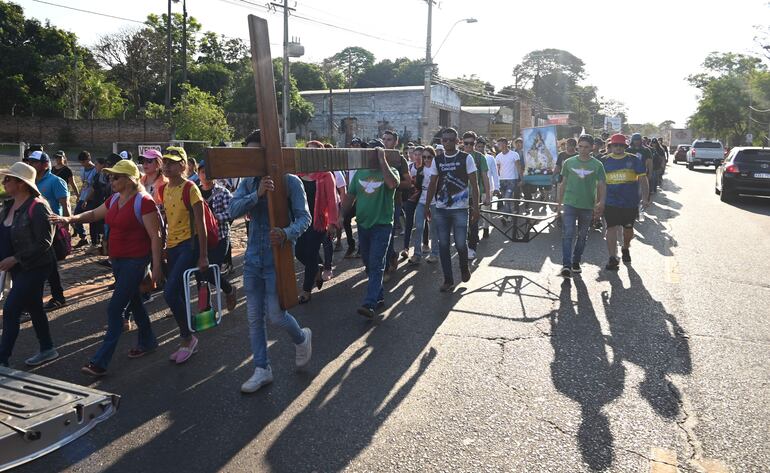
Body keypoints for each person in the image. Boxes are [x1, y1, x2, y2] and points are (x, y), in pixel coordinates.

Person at [51, 160, 162, 376]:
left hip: (136, 262)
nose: (111, 179)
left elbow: (155, 237)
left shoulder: (144, 202)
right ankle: (148, 341)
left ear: (130, 180)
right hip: (118, 261)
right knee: (135, 301)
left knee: (114, 309)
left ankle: (100, 361)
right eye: (111, 176)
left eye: (116, 177)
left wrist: (156, 267)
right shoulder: (114, 199)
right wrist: (70, 218)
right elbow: (93, 215)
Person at [229, 129, 312, 393]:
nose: (252, 159)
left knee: (276, 315)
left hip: (278, 259)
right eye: (249, 153)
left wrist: (286, 233)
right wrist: (258, 195)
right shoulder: (248, 181)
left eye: (257, 153)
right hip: (252, 258)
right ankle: (262, 369)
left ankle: (301, 338)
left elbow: (304, 218)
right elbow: (232, 210)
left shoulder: (290, 181)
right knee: (254, 318)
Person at [0, 162, 58, 367]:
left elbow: (45, 242)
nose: (4, 181)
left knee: (11, 309)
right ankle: (48, 348)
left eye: (9, 179)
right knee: (34, 307)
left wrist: (15, 258)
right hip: (17, 268)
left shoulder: (38, 206)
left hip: (35, 267)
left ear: (22, 184)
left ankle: (3, 358)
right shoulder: (8, 204)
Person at [158, 150, 210, 364]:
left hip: (189, 246)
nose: (167, 167)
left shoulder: (191, 188)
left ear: (183, 166)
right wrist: (162, 246)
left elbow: (201, 224)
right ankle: (189, 331)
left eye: (173, 163)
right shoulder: (163, 189)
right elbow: (167, 220)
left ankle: (188, 338)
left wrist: (203, 255)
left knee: (169, 293)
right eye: (165, 162)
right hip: (172, 246)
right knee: (176, 292)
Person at [338, 141, 399, 318]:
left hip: (382, 225)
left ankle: (369, 303)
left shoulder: (390, 170)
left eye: (374, 154)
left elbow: (392, 184)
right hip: (363, 225)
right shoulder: (360, 173)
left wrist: (382, 160)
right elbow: (350, 196)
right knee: (367, 263)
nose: (370, 157)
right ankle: (378, 297)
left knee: (376, 263)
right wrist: (341, 215)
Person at [425, 128, 480, 292]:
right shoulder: (437, 160)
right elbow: (432, 184)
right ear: (441, 141)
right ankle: (448, 280)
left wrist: (476, 208)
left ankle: (464, 268)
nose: (447, 142)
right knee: (443, 245)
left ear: (457, 141)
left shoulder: (466, 158)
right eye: (444, 140)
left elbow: (474, 185)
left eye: (451, 140)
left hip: (460, 209)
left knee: (461, 244)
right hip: (441, 209)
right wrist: (427, 206)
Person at [294, 141, 339, 304]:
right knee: (299, 252)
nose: (309, 154)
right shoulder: (297, 174)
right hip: (300, 221)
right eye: (307, 151)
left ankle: (306, 290)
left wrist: (333, 223)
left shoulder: (326, 175)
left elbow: (332, 201)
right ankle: (317, 268)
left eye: (313, 152)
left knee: (311, 252)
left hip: (318, 222)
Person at [25, 150, 70, 310]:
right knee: (48, 267)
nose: (30, 164)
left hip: (50, 230)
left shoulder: (55, 181)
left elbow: (65, 205)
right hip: (31, 228)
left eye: (34, 162)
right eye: (29, 161)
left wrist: (67, 226)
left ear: (44, 164)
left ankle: (48, 299)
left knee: (44, 265)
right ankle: (57, 297)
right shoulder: (29, 181)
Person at [557, 135, 607, 277]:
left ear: (592, 148)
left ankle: (576, 261)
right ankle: (566, 265)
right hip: (570, 203)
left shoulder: (598, 165)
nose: (583, 150)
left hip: (587, 205)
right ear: (577, 146)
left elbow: (602, 185)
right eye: (581, 146)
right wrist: (559, 204)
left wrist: (601, 202)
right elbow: (563, 183)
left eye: (586, 147)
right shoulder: (568, 162)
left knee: (583, 235)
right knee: (567, 234)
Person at [602, 133, 650, 270]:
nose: (618, 147)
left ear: (625, 146)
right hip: (610, 202)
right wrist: (598, 201)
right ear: (610, 146)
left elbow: (643, 179)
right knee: (610, 228)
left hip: (629, 202)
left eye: (620, 145)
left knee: (628, 230)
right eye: (615, 145)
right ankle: (612, 257)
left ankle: (625, 247)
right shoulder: (604, 161)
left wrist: (645, 198)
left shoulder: (634, 160)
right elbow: (600, 183)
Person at [197, 161, 238, 311]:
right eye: (202, 172)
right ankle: (206, 307)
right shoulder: (195, 192)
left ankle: (229, 289)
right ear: (198, 174)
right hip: (201, 239)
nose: (205, 175)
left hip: (220, 237)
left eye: (208, 172)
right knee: (200, 274)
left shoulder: (223, 192)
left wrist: (214, 217)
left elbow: (232, 212)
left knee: (210, 270)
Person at [382, 130, 412, 282]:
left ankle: (386, 267)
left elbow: (408, 182)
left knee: (388, 236)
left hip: (394, 202)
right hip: (376, 203)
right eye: (384, 139)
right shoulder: (375, 158)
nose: (386, 142)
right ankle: (391, 256)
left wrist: (393, 184)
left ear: (395, 142)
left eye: (389, 139)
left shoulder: (401, 160)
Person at [462, 131, 491, 260]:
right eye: (466, 143)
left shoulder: (480, 158)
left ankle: (472, 248)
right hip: (459, 196)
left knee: (473, 223)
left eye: (471, 143)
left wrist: (488, 196)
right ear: (462, 143)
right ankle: (465, 245)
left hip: (475, 194)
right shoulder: (458, 156)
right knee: (461, 223)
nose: (468, 146)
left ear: (475, 143)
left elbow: (485, 178)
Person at [409, 146, 439, 265]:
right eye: (424, 157)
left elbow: (437, 186)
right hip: (422, 201)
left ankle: (434, 253)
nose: (426, 159)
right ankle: (417, 254)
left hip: (434, 202)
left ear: (433, 157)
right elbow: (417, 186)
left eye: (429, 157)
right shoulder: (420, 169)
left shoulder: (436, 169)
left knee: (433, 229)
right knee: (419, 227)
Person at [495, 137, 523, 221]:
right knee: (505, 200)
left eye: (499, 144)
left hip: (512, 180)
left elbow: (519, 167)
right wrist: (497, 181)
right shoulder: (498, 156)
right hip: (502, 180)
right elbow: (497, 170)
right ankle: (509, 215)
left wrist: (522, 179)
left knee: (507, 198)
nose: (498, 146)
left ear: (504, 144)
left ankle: (506, 216)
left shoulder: (514, 154)